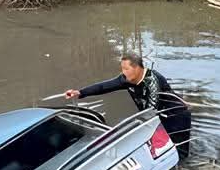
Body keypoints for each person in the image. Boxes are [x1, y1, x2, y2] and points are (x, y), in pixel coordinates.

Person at [64, 52, 192, 157]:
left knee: (178, 152)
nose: (123, 72)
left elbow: (151, 110)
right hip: (158, 117)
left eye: (126, 69)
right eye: (122, 69)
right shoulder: (127, 79)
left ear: (136, 68)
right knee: (158, 150)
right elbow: (105, 86)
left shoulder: (152, 81)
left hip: (176, 116)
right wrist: (80, 93)